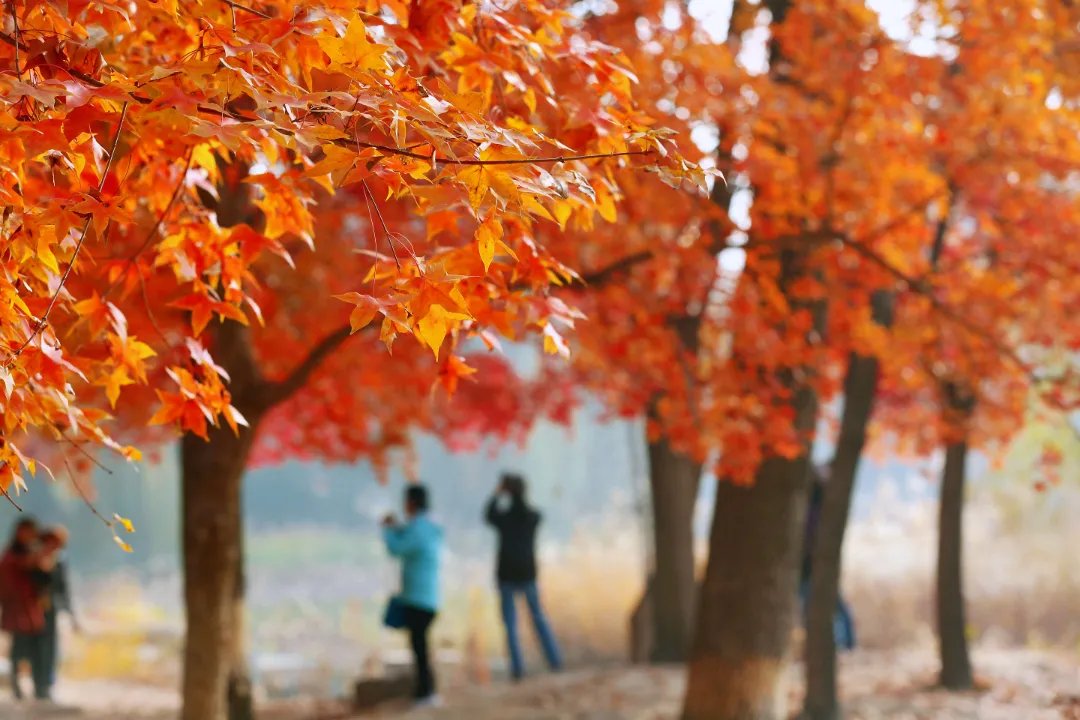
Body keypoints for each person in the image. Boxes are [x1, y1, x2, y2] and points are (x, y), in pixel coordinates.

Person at [484, 472, 562, 681]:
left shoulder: (505, 518)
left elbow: (488, 515)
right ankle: (555, 660)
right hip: (528, 572)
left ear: (508, 492)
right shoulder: (532, 517)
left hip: (507, 573)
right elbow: (536, 515)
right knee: (538, 618)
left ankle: (517, 668)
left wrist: (497, 494)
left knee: (510, 623)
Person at [382, 484, 443, 706]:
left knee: (419, 647)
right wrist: (396, 528)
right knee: (420, 646)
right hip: (427, 596)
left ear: (413, 502)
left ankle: (426, 693)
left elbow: (398, 548)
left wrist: (388, 530)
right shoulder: (429, 526)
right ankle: (424, 691)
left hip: (419, 598)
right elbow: (408, 538)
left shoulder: (420, 527)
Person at [800, 467, 856, 651]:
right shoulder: (821, 506)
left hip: (809, 564)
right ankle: (844, 643)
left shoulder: (812, 509)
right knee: (830, 603)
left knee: (822, 604)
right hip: (813, 564)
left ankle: (843, 644)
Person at [0, 517, 48, 700]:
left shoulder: (34, 552)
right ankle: (17, 688)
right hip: (16, 608)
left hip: (32, 608)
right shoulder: (12, 555)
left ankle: (39, 687)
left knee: (36, 650)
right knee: (18, 650)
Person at [34, 526, 79, 697]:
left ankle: (47, 685)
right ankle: (38, 684)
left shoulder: (59, 562)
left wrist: (71, 614)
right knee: (36, 648)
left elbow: (64, 589)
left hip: (51, 610)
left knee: (51, 648)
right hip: (34, 609)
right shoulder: (33, 559)